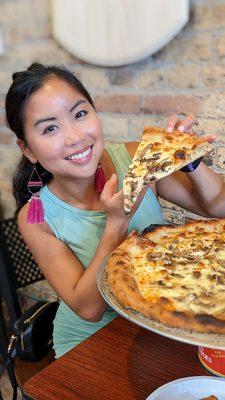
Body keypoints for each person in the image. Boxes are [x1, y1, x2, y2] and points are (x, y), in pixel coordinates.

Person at [5, 63, 225, 359]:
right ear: (27, 149)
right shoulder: (35, 217)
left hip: (158, 318)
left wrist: (190, 158)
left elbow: (218, 209)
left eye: (80, 114)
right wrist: (115, 225)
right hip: (90, 342)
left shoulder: (136, 159)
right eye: (50, 128)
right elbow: (89, 309)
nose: (74, 137)